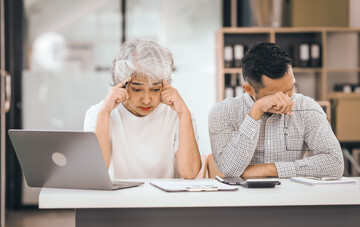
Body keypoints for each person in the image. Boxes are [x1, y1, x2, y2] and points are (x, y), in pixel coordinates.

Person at [208, 42, 344, 178]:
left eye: (290, 88)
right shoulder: (223, 112)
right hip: (243, 198)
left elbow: (335, 164)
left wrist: (269, 169)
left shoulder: (307, 108)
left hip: (293, 196)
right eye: (274, 95)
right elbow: (229, 170)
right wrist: (256, 111)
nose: (285, 100)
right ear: (249, 89)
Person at [84, 39, 201, 179]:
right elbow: (96, 174)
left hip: (165, 200)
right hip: (119, 200)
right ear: (121, 84)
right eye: (137, 89)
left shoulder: (179, 114)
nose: (146, 100)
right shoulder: (98, 113)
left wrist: (184, 114)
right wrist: (104, 114)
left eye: (155, 89)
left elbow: (190, 172)